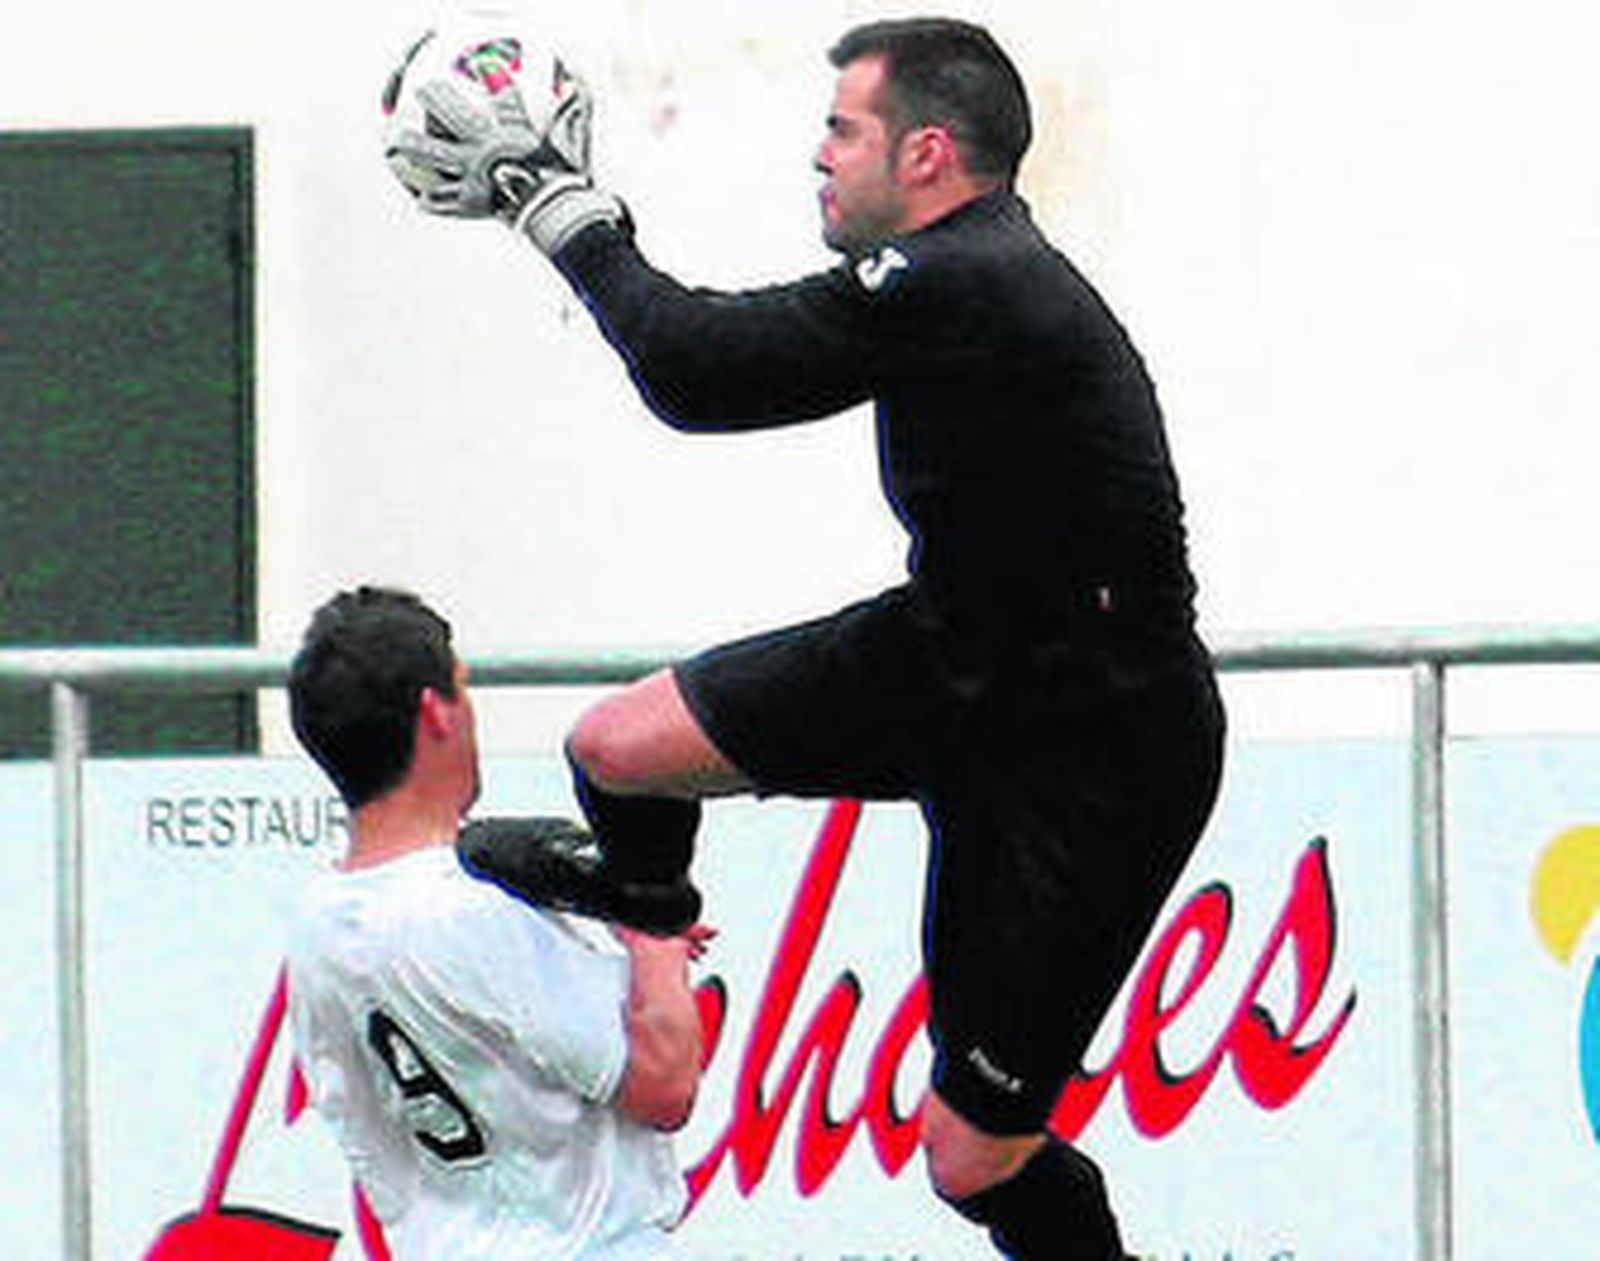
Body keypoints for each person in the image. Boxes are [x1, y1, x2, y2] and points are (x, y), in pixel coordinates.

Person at [387, 17, 1226, 1258]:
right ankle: (645, 893)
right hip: (948, 658)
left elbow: (701, 371)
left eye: (844, 129)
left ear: (929, 154)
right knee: (616, 748)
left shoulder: (973, 278)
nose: (818, 156)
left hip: (1094, 751)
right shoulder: (950, 280)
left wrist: (555, 204)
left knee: (969, 1155)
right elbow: (702, 364)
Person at [283, 586, 707, 1258]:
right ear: (435, 713)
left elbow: (357, 1123)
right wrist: (655, 929)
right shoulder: (471, 911)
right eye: (463, 689)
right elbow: (664, 1081)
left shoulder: (316, 921)